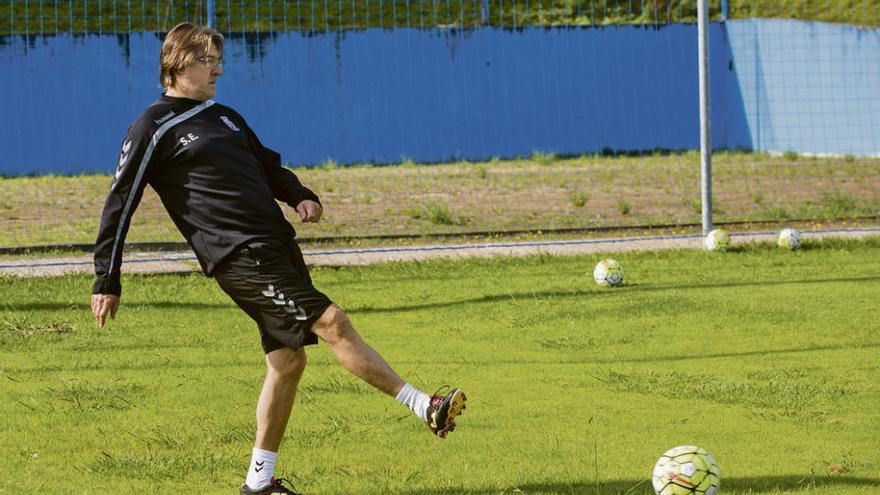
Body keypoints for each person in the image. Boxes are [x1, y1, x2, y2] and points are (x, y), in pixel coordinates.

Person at [90, 22, 467, 495]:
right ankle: (423, 405)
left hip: (276, 244)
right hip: (238, 255)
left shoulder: (223, 116)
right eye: (208, 60)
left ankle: (259, 484)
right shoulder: (152, 126)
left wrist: (298, 195)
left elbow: (267, 166)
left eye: (218, 60)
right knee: (332, 322)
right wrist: (107, 278)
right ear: (178, 63)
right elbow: (119, 202)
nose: (217, 69)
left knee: (287, 362)